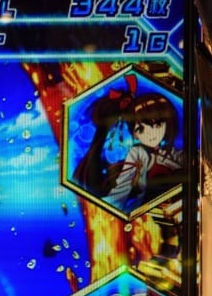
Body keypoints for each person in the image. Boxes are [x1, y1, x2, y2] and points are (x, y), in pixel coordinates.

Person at [74, 75, 183, 211]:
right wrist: (107, 209)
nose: (151, 133)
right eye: (140, 129)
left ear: (168, 123)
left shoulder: (170, 152)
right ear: (134, 134)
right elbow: (123, 186)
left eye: (157, 125)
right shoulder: (138, 153)